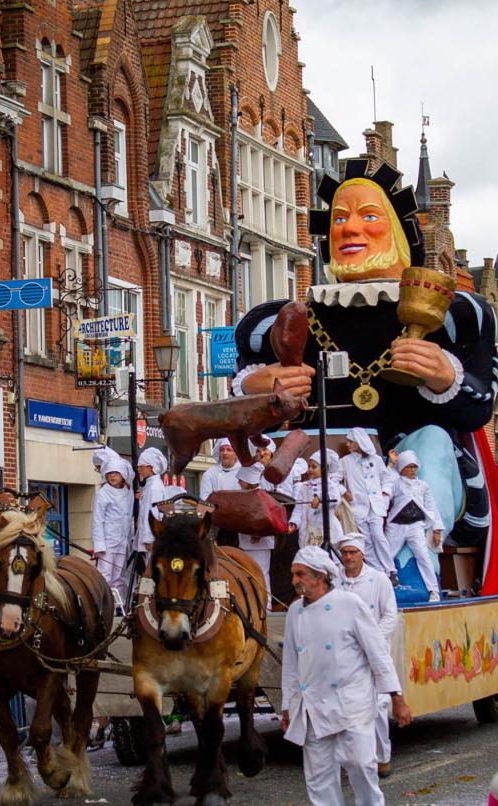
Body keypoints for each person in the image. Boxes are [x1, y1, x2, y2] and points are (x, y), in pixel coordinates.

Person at [232, 161, 496, 552]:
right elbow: (241, 404)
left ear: (400, 236)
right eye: (340, 219)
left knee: (433, 444)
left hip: (404, 467)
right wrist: (255, 387)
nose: (349, 229)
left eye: (369, 216)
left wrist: (444, 376)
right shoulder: (286, 320)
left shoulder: (455, 314)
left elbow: (480, 407)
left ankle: (412, 569)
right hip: (315, 470)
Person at [281, 546, 412, 806]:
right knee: (319, 778)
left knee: (361, 765)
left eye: (300, 574)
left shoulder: (349, 604)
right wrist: (288, 706)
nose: (295, 580)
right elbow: (291, 665)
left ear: (320, 576)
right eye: (293, 574)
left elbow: (377, 653)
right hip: (313, 706)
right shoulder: (294, 612)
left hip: (352, 702)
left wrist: (396, 697)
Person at [337, 533, 398, 778]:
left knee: (379, 705)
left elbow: (390, 615)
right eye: (345, 553)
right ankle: (354, 758)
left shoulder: (378, 580)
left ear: (362, 554)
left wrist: (373, 642)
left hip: (374, 653)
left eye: (353, 552)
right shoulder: (335, 582)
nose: (348, 557)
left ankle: (382, 757)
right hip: (344, 655)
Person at [386, 450, 444, 602]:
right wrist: (391, 463)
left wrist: (436, 530)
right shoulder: (396, 482)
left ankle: (434, 590)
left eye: (414, 467)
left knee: (423, 556)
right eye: (409, 467)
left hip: (415, 525)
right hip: (397, 525)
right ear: (402, 468)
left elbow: (432, 507)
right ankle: (382, 586)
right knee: (386, 555)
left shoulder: (423, 485)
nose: (412, 470)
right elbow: (386, 484)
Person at [341, 428, 396, 581]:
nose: (347, 445)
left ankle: (390, 569)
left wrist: (385, 493)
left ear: (358, 443)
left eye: (350, 442)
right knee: (366, 541)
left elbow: (387, 479)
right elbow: (333, 479)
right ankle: (379, 572)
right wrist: (344, 491)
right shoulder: (345, 461)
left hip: (376, 505)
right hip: (358, 506)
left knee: (379, 536)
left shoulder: (376, 459)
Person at [91, 455, 134, 605]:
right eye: (109, 474)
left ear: (122, 474)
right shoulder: (103, 493)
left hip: (123, 541)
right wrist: (99, 544)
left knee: (119, 576)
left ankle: (119, 605)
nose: (112, 477)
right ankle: (102, 605)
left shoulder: (128, 492)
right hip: (108, 542)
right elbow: (97, 520)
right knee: (105, 575)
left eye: (115, 473)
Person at [236, 463, 274, 605]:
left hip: (260, 544)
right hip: (246, 543)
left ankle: (266, 605)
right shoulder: (244, 495)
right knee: (248, 574)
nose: (238, 481)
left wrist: (258, 533)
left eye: (241, 479)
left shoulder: (263, 496)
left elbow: (267, 519)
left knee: (261, 573)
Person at [288, 452, 342, 549]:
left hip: (326, 529)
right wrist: (294, 523)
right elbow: (299, 509)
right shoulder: (304, 486)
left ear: (323, 468)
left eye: (314, 467)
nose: (310, 470)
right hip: (309, 531)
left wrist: (320, 498)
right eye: (309, 466)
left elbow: (335, 499)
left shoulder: (330, 485)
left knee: (330, 557)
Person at [132, 448, 168, 563]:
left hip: (152, 539)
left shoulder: (154, 488)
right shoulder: (151, 485)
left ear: (151, 467)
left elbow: (153, 514)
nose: (139, 470)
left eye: (141, 467)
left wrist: (149, 538)